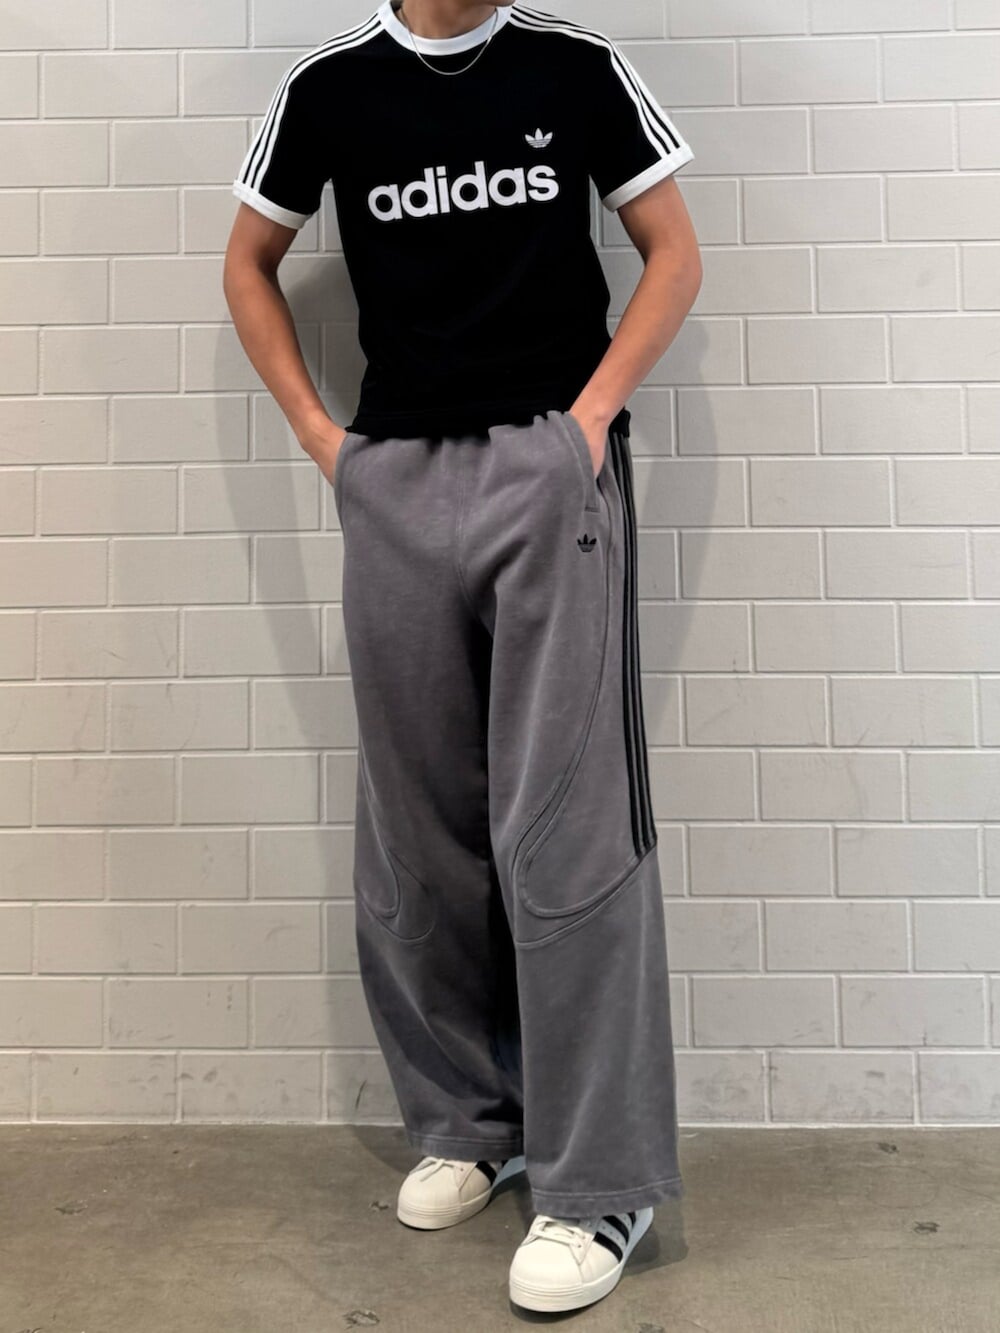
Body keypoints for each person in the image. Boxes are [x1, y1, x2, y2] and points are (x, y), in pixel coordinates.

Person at [223, 0, 701, 1314]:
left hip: (547, 472)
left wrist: (586, 425)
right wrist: (328, 445)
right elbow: (248, 262)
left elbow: (671, 252)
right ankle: (469, 1121)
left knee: (568, 823)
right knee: (417, 826)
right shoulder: (329, 91)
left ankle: (599, 1182)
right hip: (393, 482)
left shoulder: (576, 68)